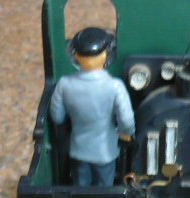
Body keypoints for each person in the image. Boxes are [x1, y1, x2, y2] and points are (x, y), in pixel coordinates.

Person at [49, 27, 135, 186]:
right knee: (104, 189)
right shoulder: (115, 86)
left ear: (76, 56)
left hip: (78, 150)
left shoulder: (64, 84)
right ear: (104, 55)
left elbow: (57, 116)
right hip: (105, 151)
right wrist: (126, 133)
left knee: (80, 189)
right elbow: (127, 120)